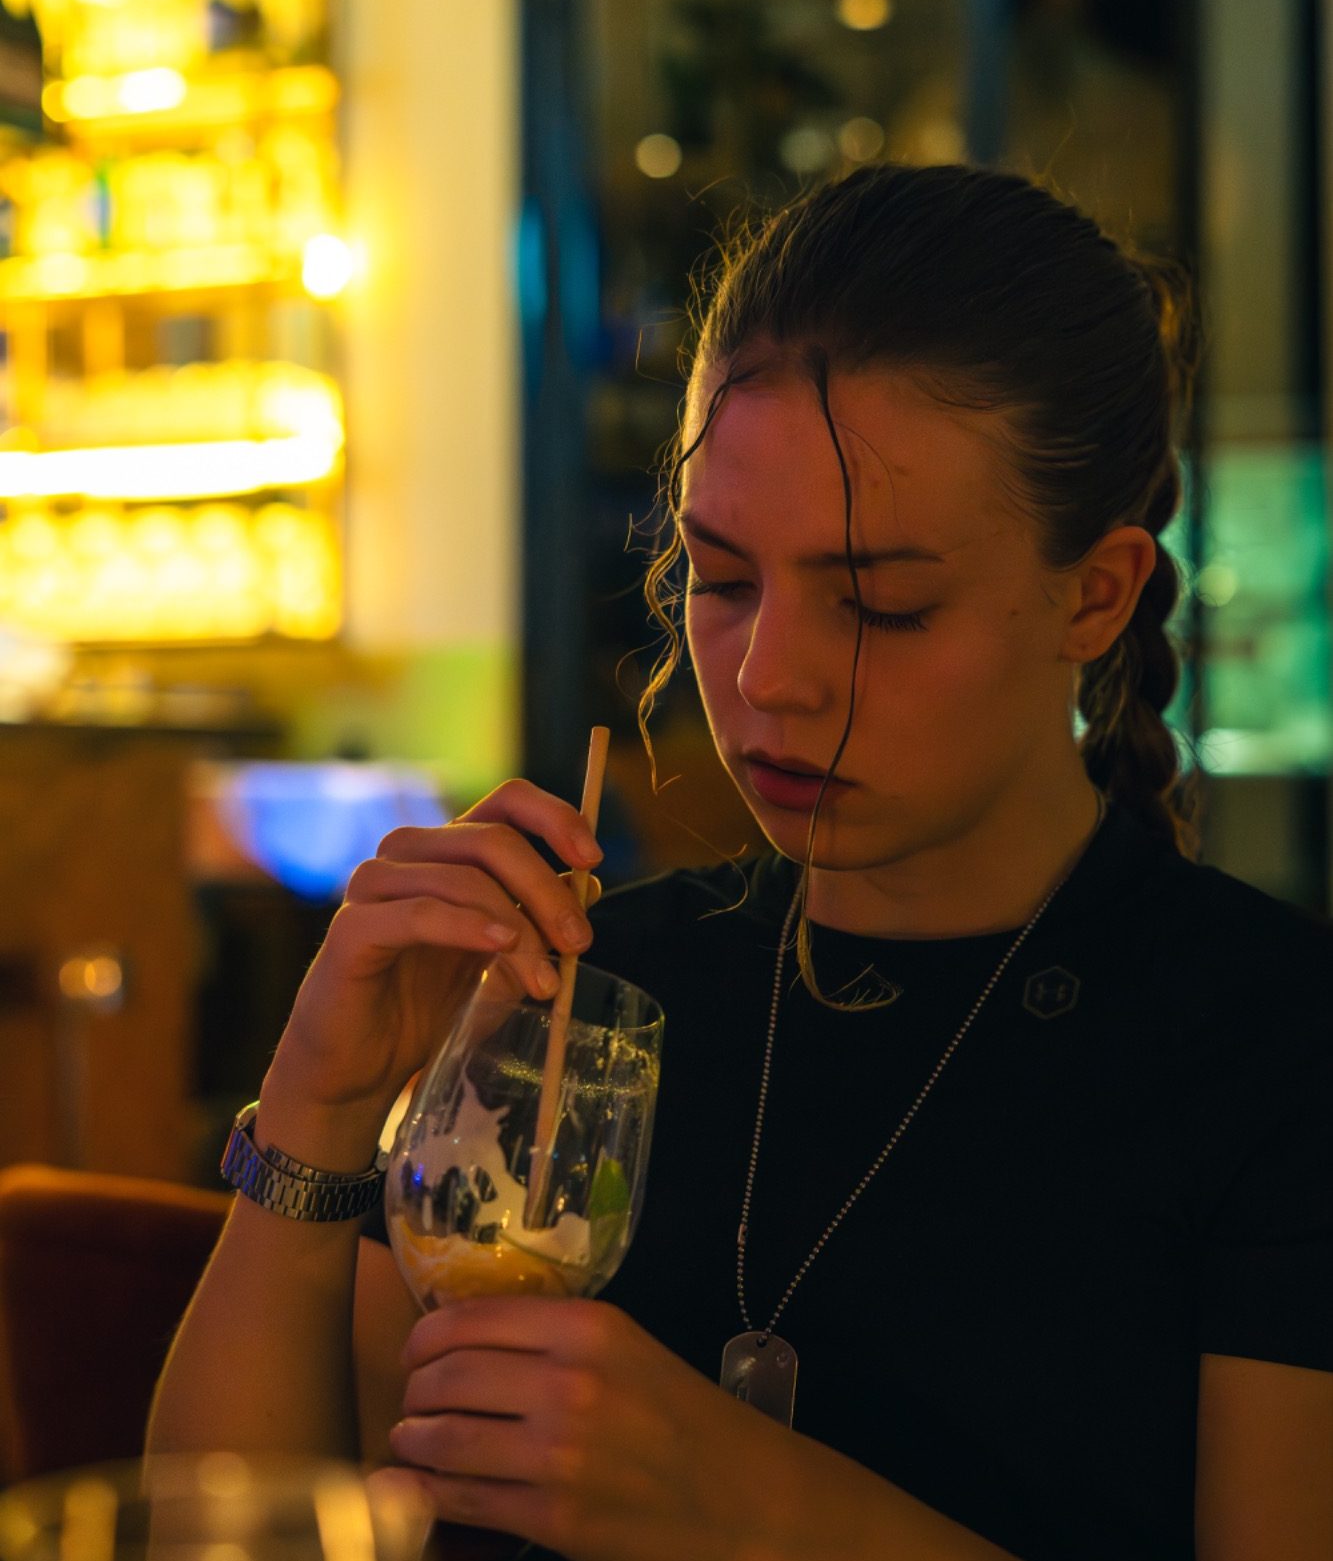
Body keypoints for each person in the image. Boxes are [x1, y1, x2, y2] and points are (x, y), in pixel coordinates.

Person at [150, 163, 1333, 1561]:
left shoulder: (1268, 1046)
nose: (765, 678)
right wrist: (320, 1101)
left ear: (1095, 591)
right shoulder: (595, 994)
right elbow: (231, 1531)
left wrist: (759, 1506)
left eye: (880, 605)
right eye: (719, 579)